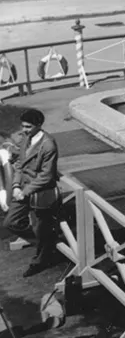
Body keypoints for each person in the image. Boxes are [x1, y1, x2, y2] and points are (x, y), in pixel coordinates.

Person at [5, 109, 62, 275]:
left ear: (39, 125)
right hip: (22, 188)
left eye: (28, 126)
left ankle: (41, 259)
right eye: (23, 126)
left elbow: (47, 175)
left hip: (40, 192)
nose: (24, 129)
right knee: (11, 223)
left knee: (41, 228)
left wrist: (26, 191)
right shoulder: (26, 139)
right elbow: (20, 165)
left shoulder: (48, 144)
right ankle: (47, 245)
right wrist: (16, 185)